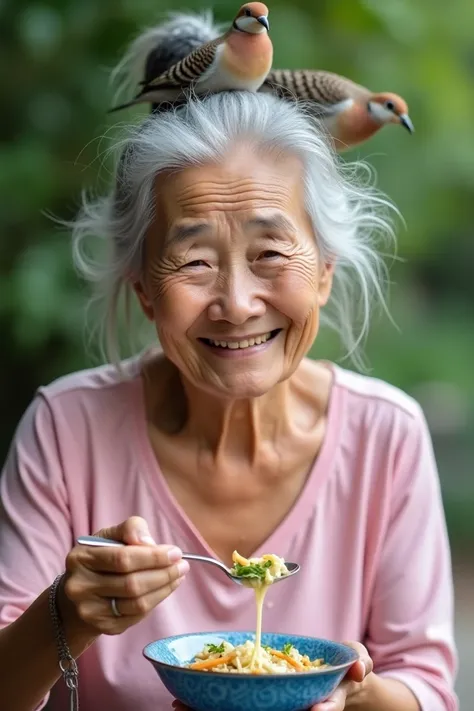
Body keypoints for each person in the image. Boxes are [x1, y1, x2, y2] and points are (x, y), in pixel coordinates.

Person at [0, 57, 457, 711]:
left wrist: (356, 696)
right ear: (145, 292)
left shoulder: (387, 434)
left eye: (271, 253)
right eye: (194, 260)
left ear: (324, 272)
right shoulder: (67, 427)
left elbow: (428, 686)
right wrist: (66, 616)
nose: (236, 303)